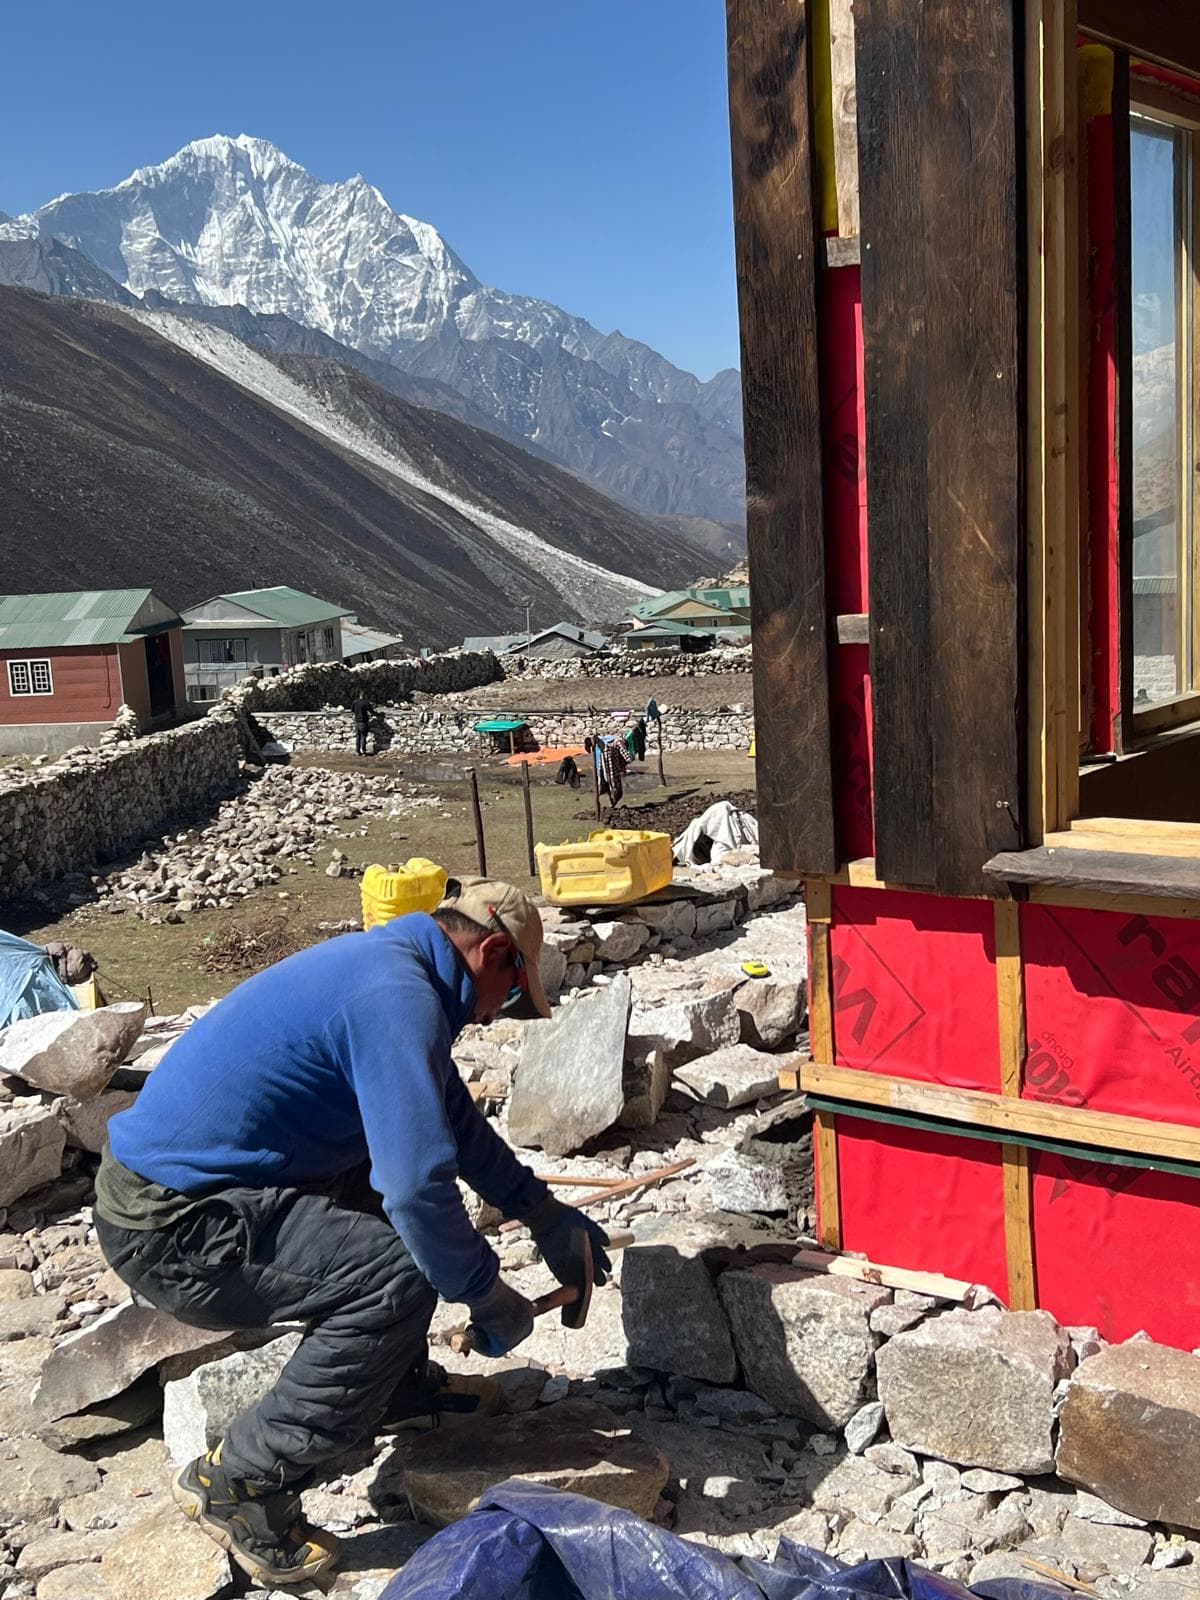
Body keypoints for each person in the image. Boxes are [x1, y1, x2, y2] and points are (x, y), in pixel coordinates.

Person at [93, 878, 610, 1588]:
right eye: (512, 998)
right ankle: (240, 1483)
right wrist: (487, 1296)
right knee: (394, 1272)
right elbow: (420, 1190)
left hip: (185, 1192)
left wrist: (543, 1211)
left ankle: (387, 1388)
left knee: (382, 1179)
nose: (496, 1019)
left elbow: (451, 1123)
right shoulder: (396, 1001)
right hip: (173, 1225)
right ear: (492, 952)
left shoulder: (394, 969)